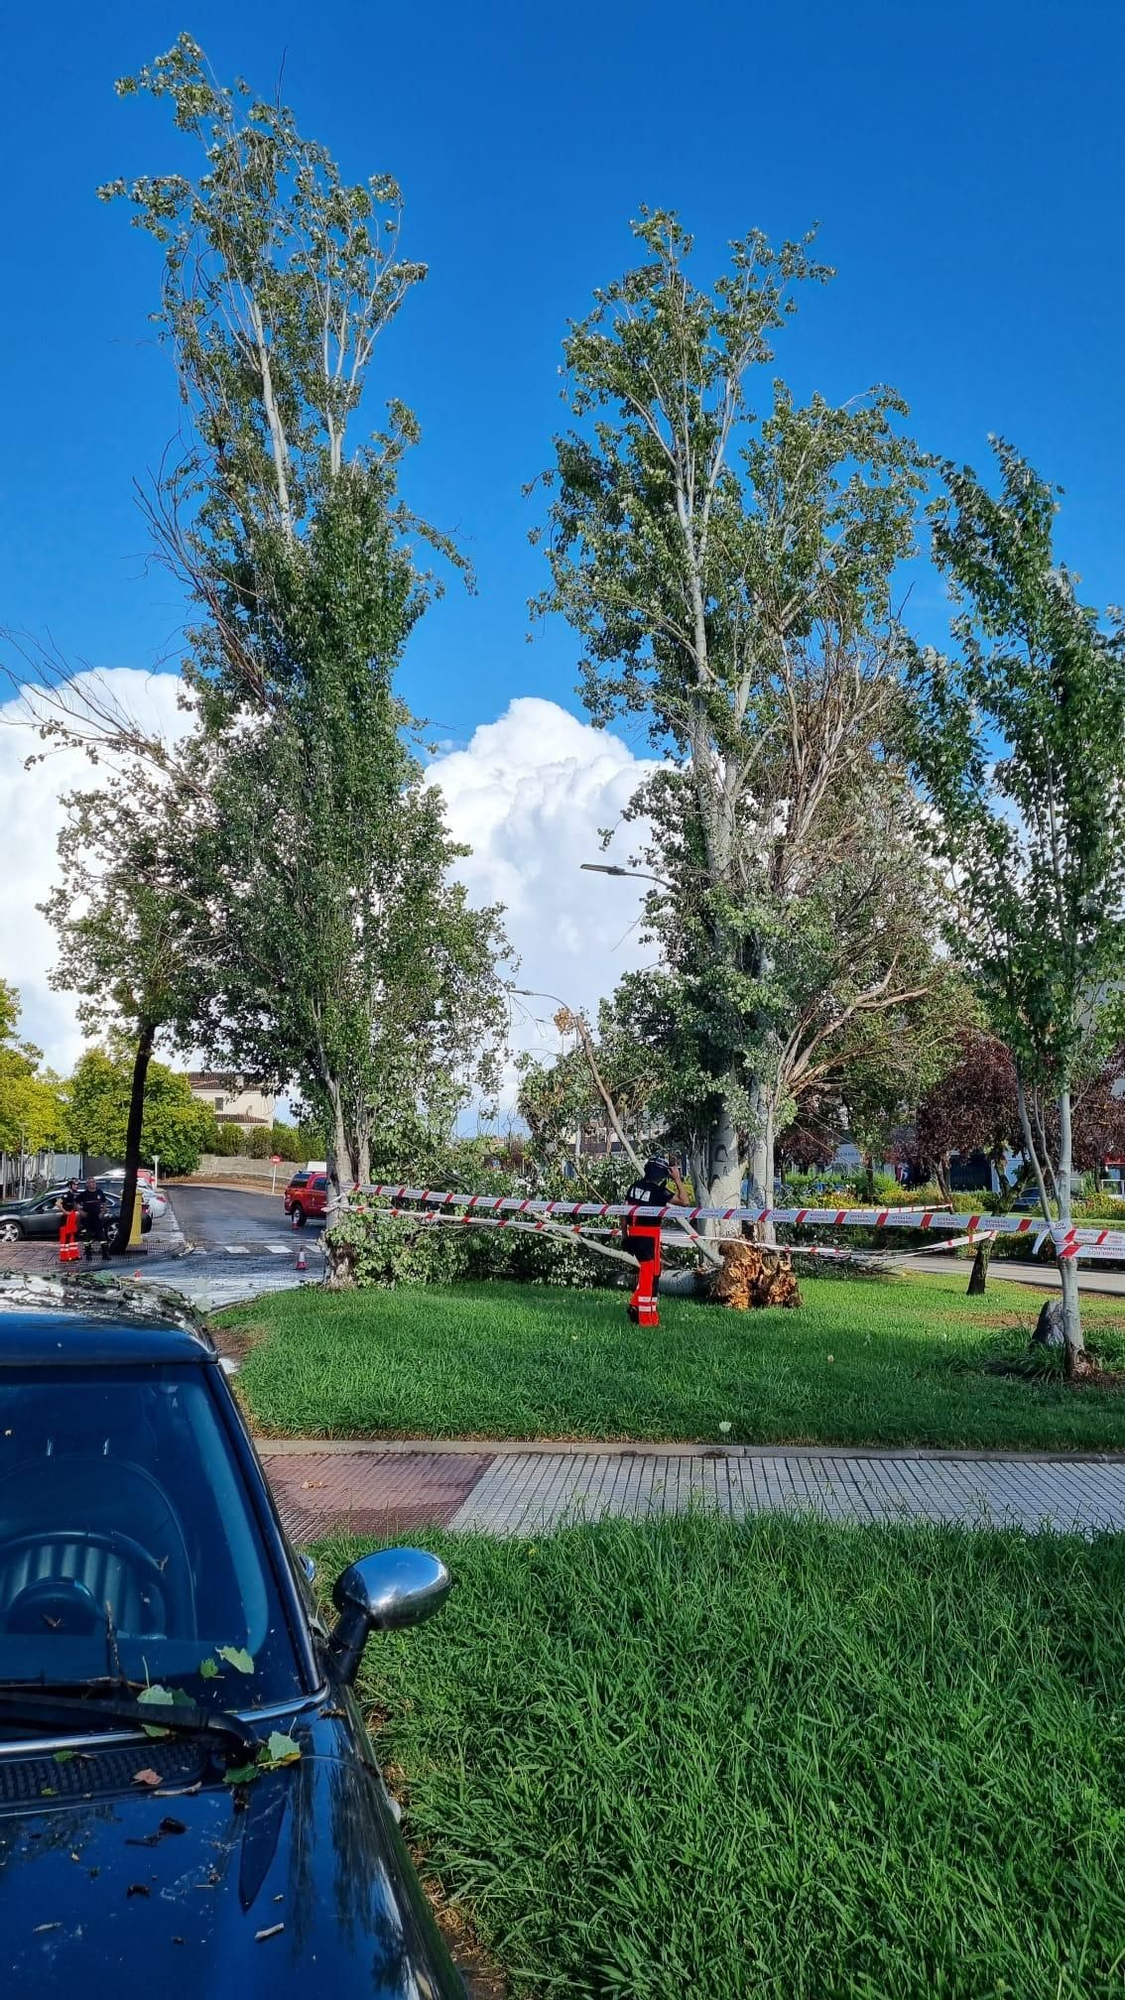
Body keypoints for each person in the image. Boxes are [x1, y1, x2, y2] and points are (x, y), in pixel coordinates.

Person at [76, 1177, 110, 1261]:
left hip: (97, 1217)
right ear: (87, 1184)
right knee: (88, 1237)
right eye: (91, 1182)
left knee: (102, 1237)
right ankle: (88, 1255)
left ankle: (105, 1255)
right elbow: (75, 1202)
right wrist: (80, 1211)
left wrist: (102, 1212)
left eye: (94, 1182)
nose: (94, 1183)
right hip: (88, 1218)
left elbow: (105, 1201)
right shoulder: (84, 1194)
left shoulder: (99, 1192)